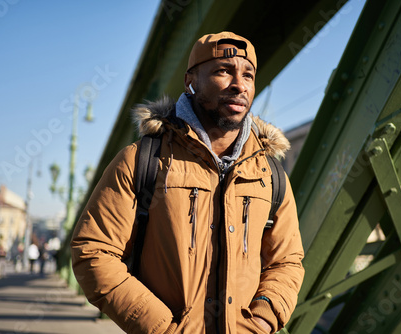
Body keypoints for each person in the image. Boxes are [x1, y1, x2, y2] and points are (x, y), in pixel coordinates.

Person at [71, 32, 305, 333]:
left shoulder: (269, 175)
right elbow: (93, 251)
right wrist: (163, 328)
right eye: (224, 70)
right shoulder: (143, 159)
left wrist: (263, 319)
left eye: (248, 74)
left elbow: (286, 261)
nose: (239, 84)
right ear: (190, 81)